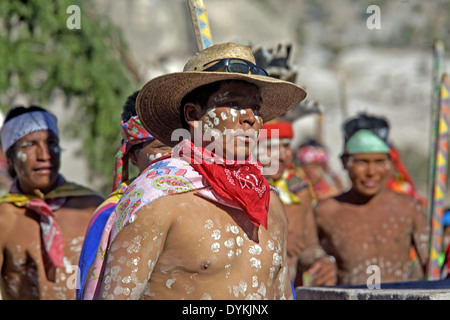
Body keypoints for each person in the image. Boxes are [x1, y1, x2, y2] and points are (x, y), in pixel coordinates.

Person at [82, 41, 307, 300]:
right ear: (193, 114)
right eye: (234, 104)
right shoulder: (155, 198)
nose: (250, 118)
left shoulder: (268, 202)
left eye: (255, 108)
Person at [0, 106, 104, 300]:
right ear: (10, 158)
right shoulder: (4, 217)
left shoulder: (92, 208)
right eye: (29, 145)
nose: (44, 154)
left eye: (51, 142)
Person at [76, 91, 172, 300]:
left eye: (179, 145)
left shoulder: (203, 202)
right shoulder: (112, 213)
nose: (173, 157)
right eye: (161, 147)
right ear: (134, 156)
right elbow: (89, 288)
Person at [315, 116, 429, 286]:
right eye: (362, 162)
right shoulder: (326, 211)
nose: (371, 172)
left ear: (390, 164)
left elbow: (430, 262)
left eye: (379, 162)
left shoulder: (409, 208)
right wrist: (321, 260)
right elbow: (306, 253)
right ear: (345, 163)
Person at [257, 121, 337, 287]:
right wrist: (277, 240)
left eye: (286, 146)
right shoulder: (235, 191)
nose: (282, 156)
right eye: (270, 147)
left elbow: (309, 245)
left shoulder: (299, 189)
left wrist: (321, 261)